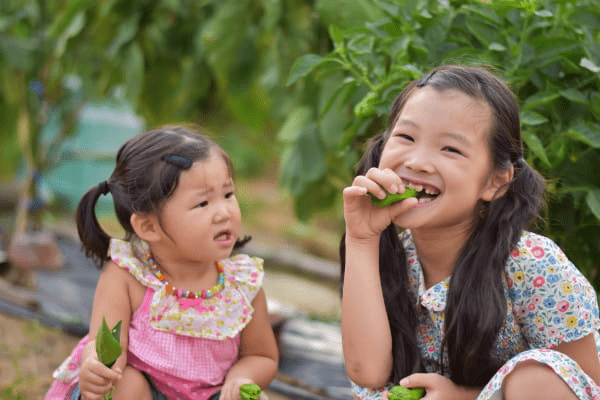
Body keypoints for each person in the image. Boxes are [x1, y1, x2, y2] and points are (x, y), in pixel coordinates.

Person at [340, 65, 600, 400]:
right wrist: (361, 239)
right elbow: (368, 373)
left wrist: (463, 398)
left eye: (450, 149)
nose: (417, 162)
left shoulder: (535, 266)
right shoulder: (384, 252)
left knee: (537, 376)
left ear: (495, 181)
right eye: (405, 137)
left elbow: (586, 387)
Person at [46, 126, 278, 400]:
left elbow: (262, 356)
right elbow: (107, 344)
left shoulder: (241, 286)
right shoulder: (128, 276)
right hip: (142, 392)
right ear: (148, 227)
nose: (224, 212)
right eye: (203, 203)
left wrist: (242, 378)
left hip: (210, 395)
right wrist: (97, 368)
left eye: (228, 195)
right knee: (124, 384)